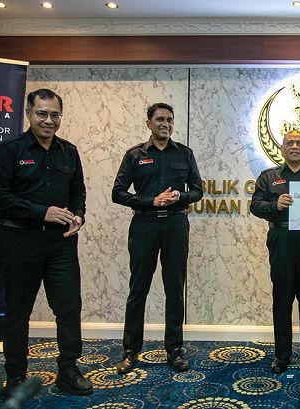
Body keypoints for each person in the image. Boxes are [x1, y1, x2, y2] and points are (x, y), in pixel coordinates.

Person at [0, 88, 92, 396]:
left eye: (55, 115)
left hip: (60, 243)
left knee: (69, 307)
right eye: (42, 113)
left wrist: (79, 216)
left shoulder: (68, 151)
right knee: (18, 311)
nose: (48, 120)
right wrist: (41, 212)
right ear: (28, 114)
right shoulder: (10, 150)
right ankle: (16, 377)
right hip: (19, 240)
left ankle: (68, 370)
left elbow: (78, 192)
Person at [112, 102, 202, 374]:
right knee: (138, 289)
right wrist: (151, 201)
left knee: (175, 289)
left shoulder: (184, 154)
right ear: (148, 123)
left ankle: (174, 349)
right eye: (160, 119)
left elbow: (197, 191)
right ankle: (130, 350)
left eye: (170, 120)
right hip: (144, 225)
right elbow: (118, 193)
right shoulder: (135, 155)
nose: (165, 124)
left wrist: (179, 196)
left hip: (175, 225)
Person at [250, 130, 300, 374]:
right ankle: (281, 356)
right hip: (280, 240)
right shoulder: (268, 176)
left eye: (299, 143)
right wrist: (275, 205)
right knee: (282, 299)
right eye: (290, 143)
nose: (295, 146)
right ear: (282, 148)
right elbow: (255, 206)